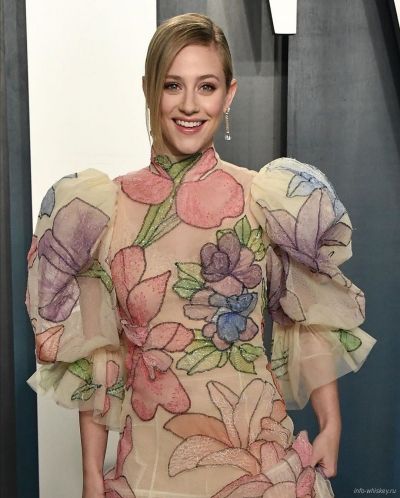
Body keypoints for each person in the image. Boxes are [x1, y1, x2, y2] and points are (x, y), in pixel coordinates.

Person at [26, 12, 376, 498]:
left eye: (206, 87)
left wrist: (331, 424)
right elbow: (99, 355)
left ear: (228, 95)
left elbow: (307, 313)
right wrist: (91, 474)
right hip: (148, 466)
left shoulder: (263, 198)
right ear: (148, 89)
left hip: (258, 459)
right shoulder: (104, 209)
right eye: (173, 85)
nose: (189, 104)